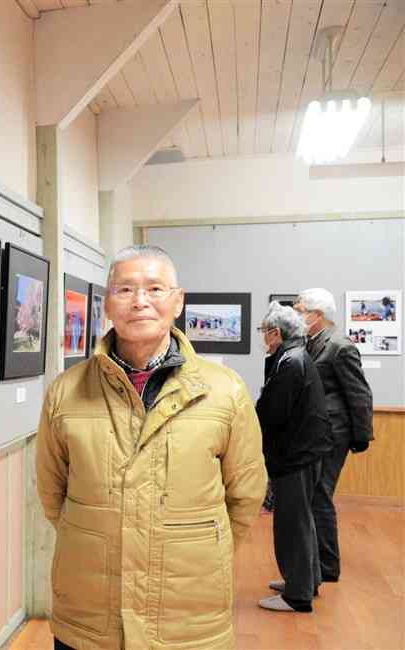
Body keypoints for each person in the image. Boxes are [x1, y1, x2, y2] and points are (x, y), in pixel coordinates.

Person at [36, 244, 266, 650]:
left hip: (188, 611)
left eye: (155, 288)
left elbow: (245, 494)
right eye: (125, 290)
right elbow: (52, 493)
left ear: (177, 302)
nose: (140, 301)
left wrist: (197, 543)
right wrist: (100, 532)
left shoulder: (224, 391)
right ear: (107, 303)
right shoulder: (67, 391)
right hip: (91, 611)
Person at [255, 303, 332, 613]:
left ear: (276, 333)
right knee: (303, 520)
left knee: (292, 523)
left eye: (264, 332)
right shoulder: (294, 355)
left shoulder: (290, 361)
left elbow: (273, 412)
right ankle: (306, 580)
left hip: (296, 454)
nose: (263, 337)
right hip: (307, 451)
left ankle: (297, 596)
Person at [294, 288, 373, 583]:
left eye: (301, 310)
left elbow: (359, 392)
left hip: (333, 433)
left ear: (316, 315)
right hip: (315, 432)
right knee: (313, 497)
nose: (297, 314)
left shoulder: (339, 346)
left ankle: (327, 566)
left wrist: (361, 435)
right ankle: (314, 565)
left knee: (320, 496)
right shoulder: (311, 343)